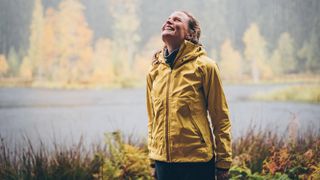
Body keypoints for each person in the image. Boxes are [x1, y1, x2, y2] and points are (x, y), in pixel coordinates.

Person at [146, 11, 232, 180]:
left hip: (197, 161)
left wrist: (223, 163)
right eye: (168, 19)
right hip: (163, 162)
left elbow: (220, 117)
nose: (169, 21)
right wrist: (152, 158)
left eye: (176, 19)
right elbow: (152, 119)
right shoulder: (155, 70)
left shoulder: (206, 67)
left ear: (191, 33)